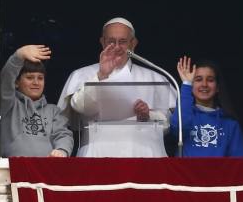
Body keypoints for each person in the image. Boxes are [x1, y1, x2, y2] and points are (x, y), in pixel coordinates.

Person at [58, 17, 177, 157]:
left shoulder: (156, 78)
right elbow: (80, 108)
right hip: (97, 155)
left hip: (145, 156)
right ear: (102, 42)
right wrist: (101, 75)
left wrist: (148, 115)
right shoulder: (82, 74)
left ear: (133, 44)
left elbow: (170, 125)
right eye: (111, 41)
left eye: (123, 41)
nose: (117, 47)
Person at [0, 45, 73, 157]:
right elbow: (6, 81)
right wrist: (18, 56)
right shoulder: (9, 104)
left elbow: (63, 135)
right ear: (16, 82)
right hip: (11, 169)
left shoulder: (53, 111)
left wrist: (62, 150)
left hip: (45, 170)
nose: (36, 82)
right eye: (29, 77)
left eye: (40, 78)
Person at [170, 56, 243, 157]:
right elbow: (178, 129)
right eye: (198, 79)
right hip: (186, 172)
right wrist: (186, 85)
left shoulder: (230, 124)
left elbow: (240, 163)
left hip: (220, 173)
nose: (204, 84)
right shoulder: (186, 115)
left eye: (210, 80)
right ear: (192, 86)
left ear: (217, 88)